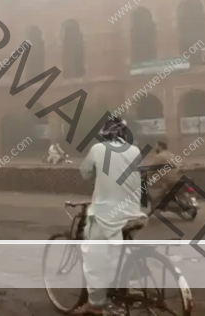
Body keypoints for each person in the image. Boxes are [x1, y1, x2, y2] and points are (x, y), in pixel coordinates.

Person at [75, 117, 148, 315]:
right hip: (133, 213)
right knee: (122, 254)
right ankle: (129, 291)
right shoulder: (135, 151)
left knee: (94, 259)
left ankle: (95, 304)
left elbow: (85, 173)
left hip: (106, 215)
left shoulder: (98, 149)